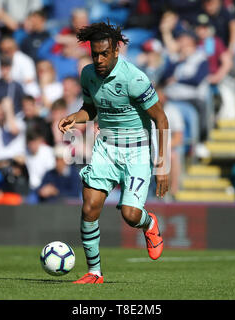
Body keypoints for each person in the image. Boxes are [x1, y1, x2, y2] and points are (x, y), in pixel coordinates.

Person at [58, 22, 169, 284]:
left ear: (116, 50)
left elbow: (161, 120)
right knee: (89, 208)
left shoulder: (134, 78)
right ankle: (94, 272)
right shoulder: (87, 75)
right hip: (105, 147)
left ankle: (149, 223)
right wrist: (77, 116)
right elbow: (91, 107)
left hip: (137, 151)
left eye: (104, 53)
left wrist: (162, 166)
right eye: (94, 54)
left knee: (130, 215)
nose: (98, 59)